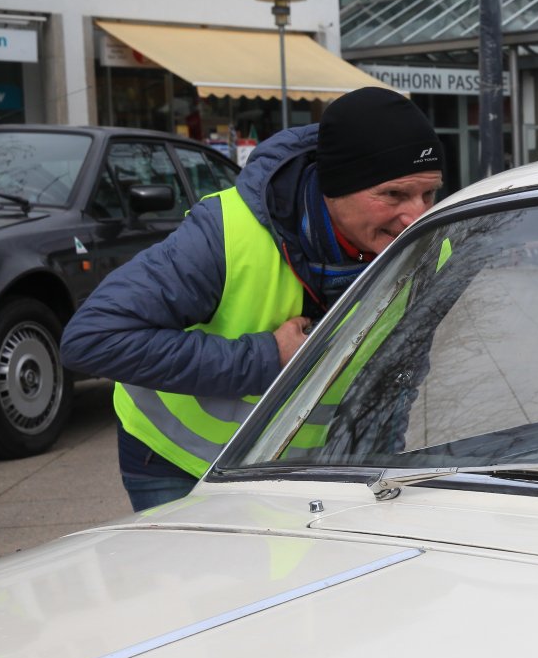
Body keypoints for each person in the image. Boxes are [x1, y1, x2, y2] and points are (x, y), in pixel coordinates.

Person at [61, 87, 444, 511]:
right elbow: (91, 339)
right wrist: (268, 358)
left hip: (302, 470)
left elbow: (398, 381)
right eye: (394, 195)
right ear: (333, 188)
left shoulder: (433, 250)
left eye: (428, 195)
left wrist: (379, 474)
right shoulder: (227, 233)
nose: (417, 216)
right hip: (178, 462)